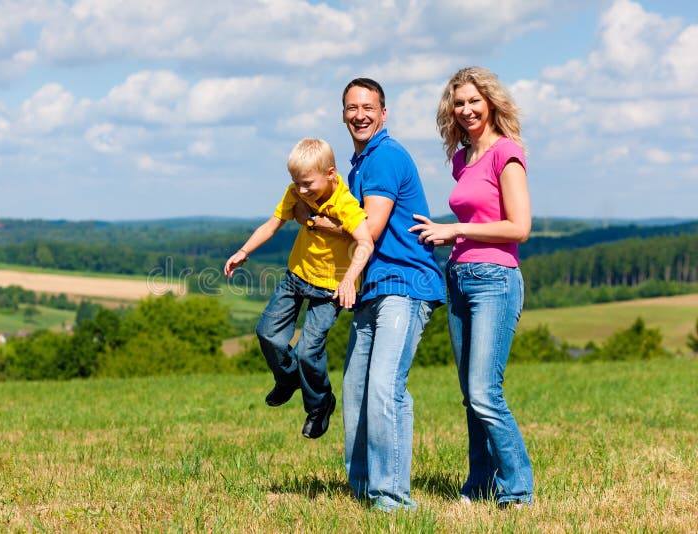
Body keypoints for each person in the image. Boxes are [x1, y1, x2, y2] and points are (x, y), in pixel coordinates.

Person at [306, 78, 446, 511]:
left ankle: (391, 497)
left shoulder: (385, 156)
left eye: (368, 107)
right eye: (352, 108)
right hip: (375, 288)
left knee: (386, 387)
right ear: (343, 114)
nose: (360, 114)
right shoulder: (358, 165)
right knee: (358, 388)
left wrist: (317, 221)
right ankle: (364, 486)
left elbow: (370, 229)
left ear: (383, 114)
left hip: (404, 285)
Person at [410, 66, 534, 507]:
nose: (465, 110)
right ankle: (479, 483)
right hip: (459, 278)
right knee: (470, 397)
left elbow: (519, 227)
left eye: (473, 101)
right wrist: (442, 234)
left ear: (491, 103)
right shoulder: (463, 159)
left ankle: (517, 490)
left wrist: (454, 229)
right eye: (458, 103)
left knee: (485, 392)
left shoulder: (506, 152)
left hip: (495, 281)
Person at [224, 138, 373, 439]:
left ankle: (319, 405)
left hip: (330, 288)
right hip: (297, 275)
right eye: (296, 182)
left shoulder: (344, 203)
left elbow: (366, 241)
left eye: (307, 184)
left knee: (307, 350)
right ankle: (288, 378)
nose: (301, 190)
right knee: (267, 332)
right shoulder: (296, 192)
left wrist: (349, 280)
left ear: (330, 173)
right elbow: (272, 224)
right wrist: (244, 251)